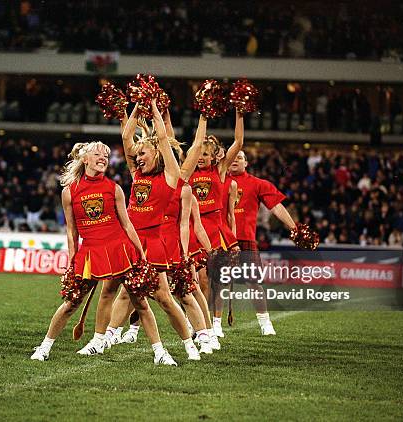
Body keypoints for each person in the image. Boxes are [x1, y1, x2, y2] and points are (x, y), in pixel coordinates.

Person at [31, 141, 178, 366]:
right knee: (71, 303)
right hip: (90, 252)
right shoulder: (69, 192)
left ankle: (160, 352)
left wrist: (141, 256)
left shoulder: (114, 188)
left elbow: (128, 226)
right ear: (85, 159)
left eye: (106, 156)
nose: (102, 158)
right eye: (97, 154)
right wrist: (72, 259)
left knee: (140, 303)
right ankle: (44, 347)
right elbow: (72, 231)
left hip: (120, 249)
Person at [105, 98, 201, 361]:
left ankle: (188, 344)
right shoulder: (138, 175)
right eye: (137, 156)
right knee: (124, 293)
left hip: (154, 244)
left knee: (165, 299)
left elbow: (160, 134)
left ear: (157, 153)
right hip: (133, 242)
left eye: (143, 153)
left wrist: (156, 108)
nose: (137, 158)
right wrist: (137, 106)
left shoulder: (170, 177)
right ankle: (107, 336)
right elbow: (126, 138)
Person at [228, 150, 299, 335]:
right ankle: (208, 326)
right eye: (232, 157)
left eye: (240, 157)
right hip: (219, 239)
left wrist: (294, 228)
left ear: (247, 163)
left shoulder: (257, 184)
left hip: (245, 239)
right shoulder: (216, 181)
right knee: (209, 282)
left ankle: (265, 323)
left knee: (253, 283)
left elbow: (276, 206)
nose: (235, 160)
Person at [189, 109, 244, 338]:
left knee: (219, 280)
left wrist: (240, 113)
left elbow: (238, 142)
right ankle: (199, 322)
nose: (200, 157)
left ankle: (217, 322)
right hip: (194, 230)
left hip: (216, 229)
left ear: (213, 157)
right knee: (200, 280)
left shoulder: (220, 171)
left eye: (205, 154)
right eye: (198, 154)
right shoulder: (188, 171)